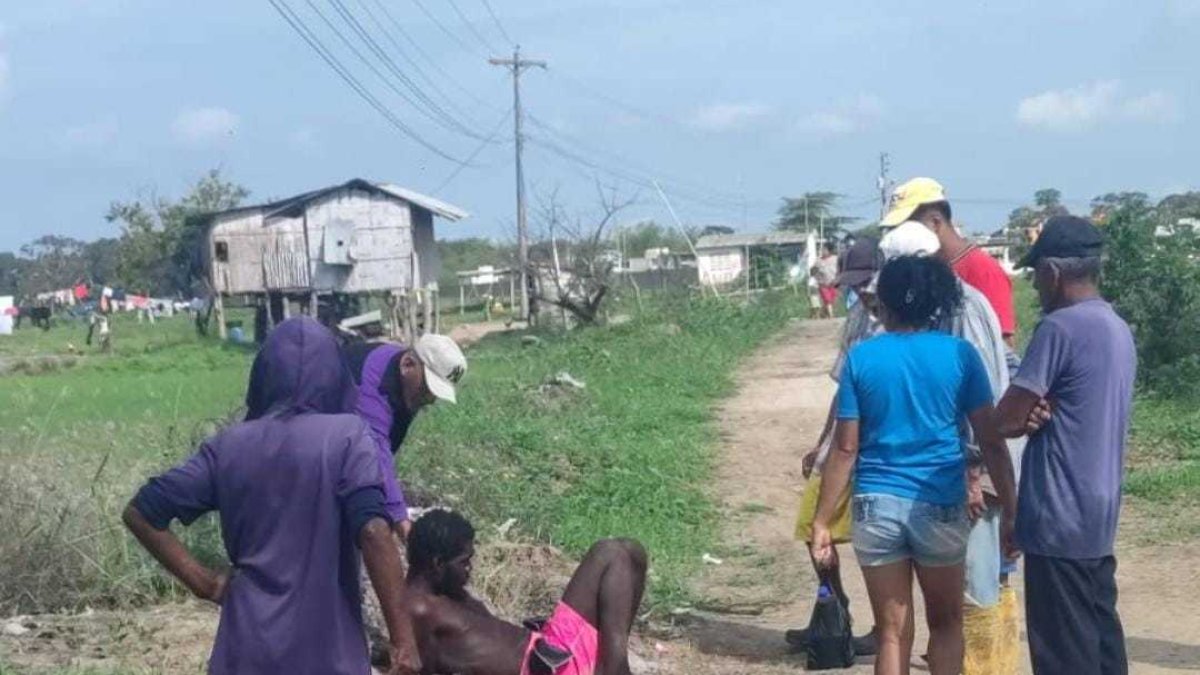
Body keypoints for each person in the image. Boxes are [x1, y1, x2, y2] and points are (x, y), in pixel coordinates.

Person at [122, 318, 422, 675]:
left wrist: (207, 584)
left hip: (244, 653)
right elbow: (373, 531)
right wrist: (403, 641)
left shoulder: (227, 446)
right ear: (337, 376)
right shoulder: (348, 437)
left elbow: (141, 512)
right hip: (327, 654)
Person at [811, 255, 1018, 675]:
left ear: (882, 302)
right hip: (939, 501)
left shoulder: (862, 358)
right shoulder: (960, 356)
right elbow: (991, 441)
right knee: (946, 625)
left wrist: (821, 521)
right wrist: (1012, 507)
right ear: (937, 301)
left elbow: (845, 449)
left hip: (876, 505)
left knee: (891, 633)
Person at [995, 215, 1135, 675]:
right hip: (1097, 512)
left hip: (1059, 513)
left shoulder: (1060, 328)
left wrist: (1021, 414)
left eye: (1036, 276)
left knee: (1062, 656)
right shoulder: (1116, 327)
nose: (1035, 286)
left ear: (1053, 274)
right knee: (1100, 648)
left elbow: (1008, 419)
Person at [401, 509, 647, 675]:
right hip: (544, 669)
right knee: (610, 554)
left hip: (551, 652)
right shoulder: (417, 609)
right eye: (464, 562)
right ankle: (615, 668)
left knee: (630, 551)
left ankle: (611, 665)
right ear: (437, 563)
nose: (470, 569)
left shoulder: (445, 593)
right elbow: (410, 662)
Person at [789, 236, 882, 655]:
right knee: (815, 528)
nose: (861, 289)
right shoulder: (859, 316)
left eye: (867, 280)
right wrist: (821, 441)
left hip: (876, 446)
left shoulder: (899, 318)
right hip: (842, 440)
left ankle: (884, 628)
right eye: (855, 282)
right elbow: (842, 389)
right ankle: (834, 609)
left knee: (877, 543)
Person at [343, 334, 469, 539]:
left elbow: (389, 444)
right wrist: (402, 523)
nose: (430, 399)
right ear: (408, 364)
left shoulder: (405, 381)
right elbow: (376, 454)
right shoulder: (370, 387)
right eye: (427, 388)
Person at [882, 177, 1017, 347]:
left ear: (935, 223)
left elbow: (1003, 345)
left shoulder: (982, 269)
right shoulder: (922, 274)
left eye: (906, 227)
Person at [811, 242, 840, 319]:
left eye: (824, 249)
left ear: (829, 251)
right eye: (822, 249)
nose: (823, 251)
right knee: (828, 300)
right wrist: (814, 274)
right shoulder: (818, 261)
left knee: (832, 301)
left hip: (833, 284)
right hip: (823, 284)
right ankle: (831, 316)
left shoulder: (836, 259)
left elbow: (840, 269)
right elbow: (812, 271)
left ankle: (823, 313)